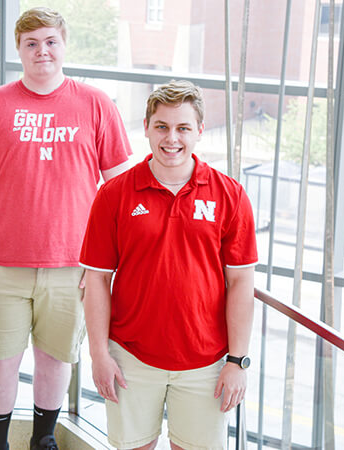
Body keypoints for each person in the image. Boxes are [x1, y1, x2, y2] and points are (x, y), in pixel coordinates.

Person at [0, 7, 132, 450]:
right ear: (19, 50)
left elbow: (120, 191)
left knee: (55, 361)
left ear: (64, 45)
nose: (42, 51)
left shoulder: (95, 104)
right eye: (31, 44)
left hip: (72, 266)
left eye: (50, 42)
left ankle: (44, 440)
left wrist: (104, 267)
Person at [80, 80, 257, 450]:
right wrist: (98, 354)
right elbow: (96, 279)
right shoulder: (114, 194)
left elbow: (241, 283)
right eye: (161, 126)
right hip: (130, 357)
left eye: (183, 128)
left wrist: (237, 361)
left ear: (200, 132)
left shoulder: (230, 194)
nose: (171, 138)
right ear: (146, 127)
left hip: (206, 362)